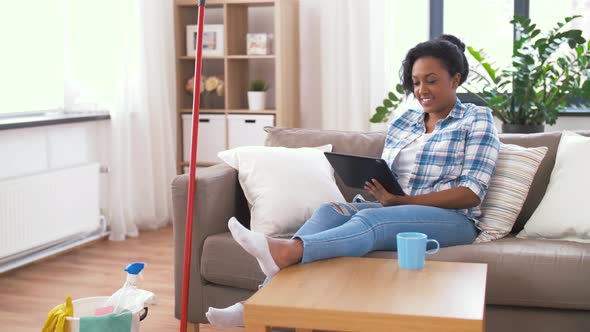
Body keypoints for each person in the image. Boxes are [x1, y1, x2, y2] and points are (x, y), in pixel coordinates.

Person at [205, 34, 500, 328]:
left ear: (456, 79)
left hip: (453, 218)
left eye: (432, 80)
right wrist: (381, 188)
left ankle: (287, 250)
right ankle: (253, 308)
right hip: (397, 208)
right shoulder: (404, 122)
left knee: (371, 221)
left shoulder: (477, 119)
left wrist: (402, 202)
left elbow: (471, 192)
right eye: (417, 81)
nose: (422, 89)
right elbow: (390, 176)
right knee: (330, 210)